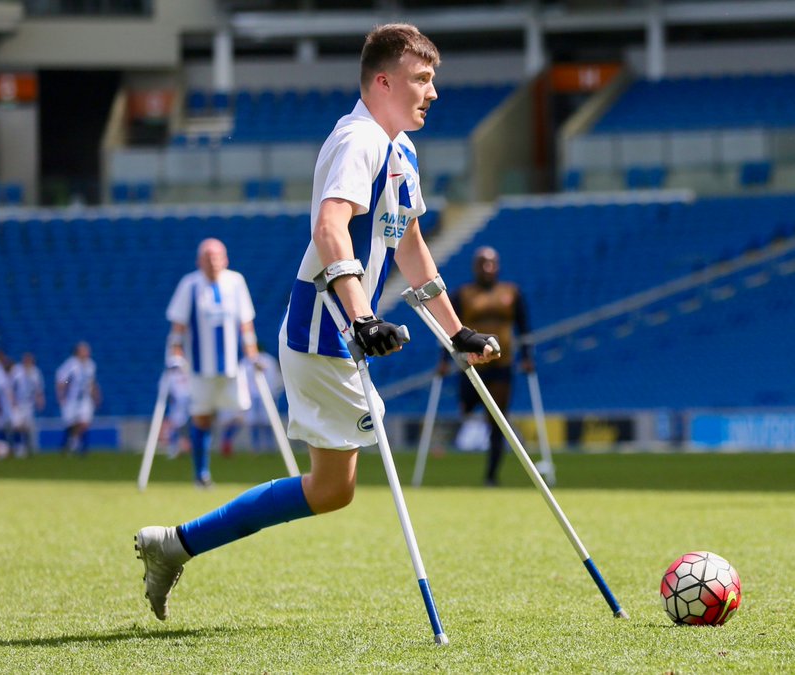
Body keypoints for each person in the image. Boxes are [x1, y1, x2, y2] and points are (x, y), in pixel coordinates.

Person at [135, 23, 500, 622]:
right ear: (383, 81)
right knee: (334, 487)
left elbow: (408, 244)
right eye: (422, 80)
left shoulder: (400, 148)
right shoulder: (358, 140)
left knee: (332, 490)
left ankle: (173, 543)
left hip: (338, 331)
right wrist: (362, 317)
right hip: (324, 330)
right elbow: (330, 227)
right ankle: (175, 542)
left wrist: (455, 329)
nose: (432, 93)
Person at [165, 238, 259, 487]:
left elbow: (246, 323)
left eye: (217, 257)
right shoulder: (190, 285)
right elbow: (178, 326)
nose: (213, 261)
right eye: (207, 257)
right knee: (201, 418)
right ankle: (201, 474)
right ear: (199, 261)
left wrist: (252, 352)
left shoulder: (236, 282)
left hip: (232, 367)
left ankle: (229, 448)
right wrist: (175, 353)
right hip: (200, 368)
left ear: (225, 259)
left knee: (242, 413)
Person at [437, 246, 533, 486]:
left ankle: (491, 475)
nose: (487, 267)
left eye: (491, 263)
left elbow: (524, 327)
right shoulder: (463, 295)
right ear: (475, 267)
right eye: (482, 263)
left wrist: (527, 357)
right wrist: (443, 361)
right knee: (466, 410)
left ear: (498, 265)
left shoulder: (511, 293)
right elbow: (449, 330)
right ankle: (454, 455)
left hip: (503, 365)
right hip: (471, 367)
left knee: (497, 420)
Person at [56, 341, 100, 456]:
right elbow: (63, 378)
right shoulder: (71, 364)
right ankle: (67, 444)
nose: (87, 352)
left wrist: (95, 394)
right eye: (84, 350)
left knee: (84, 422)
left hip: (85, 398)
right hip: (72, 399)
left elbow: (91, 381)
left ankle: (84, 448)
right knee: (71, 424)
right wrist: (64, 385)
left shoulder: (91, 365)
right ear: (78, 352)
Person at [7, 352, 45, 458]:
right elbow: (10, 387)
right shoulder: (16, 371)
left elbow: (39, 389)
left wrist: (40, 400)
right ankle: (18, 447)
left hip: (29, 405)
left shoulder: (36, 373)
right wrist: (12, 400)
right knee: (17, 426)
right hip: (18, 404)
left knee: (27, 428)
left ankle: (28, 448)